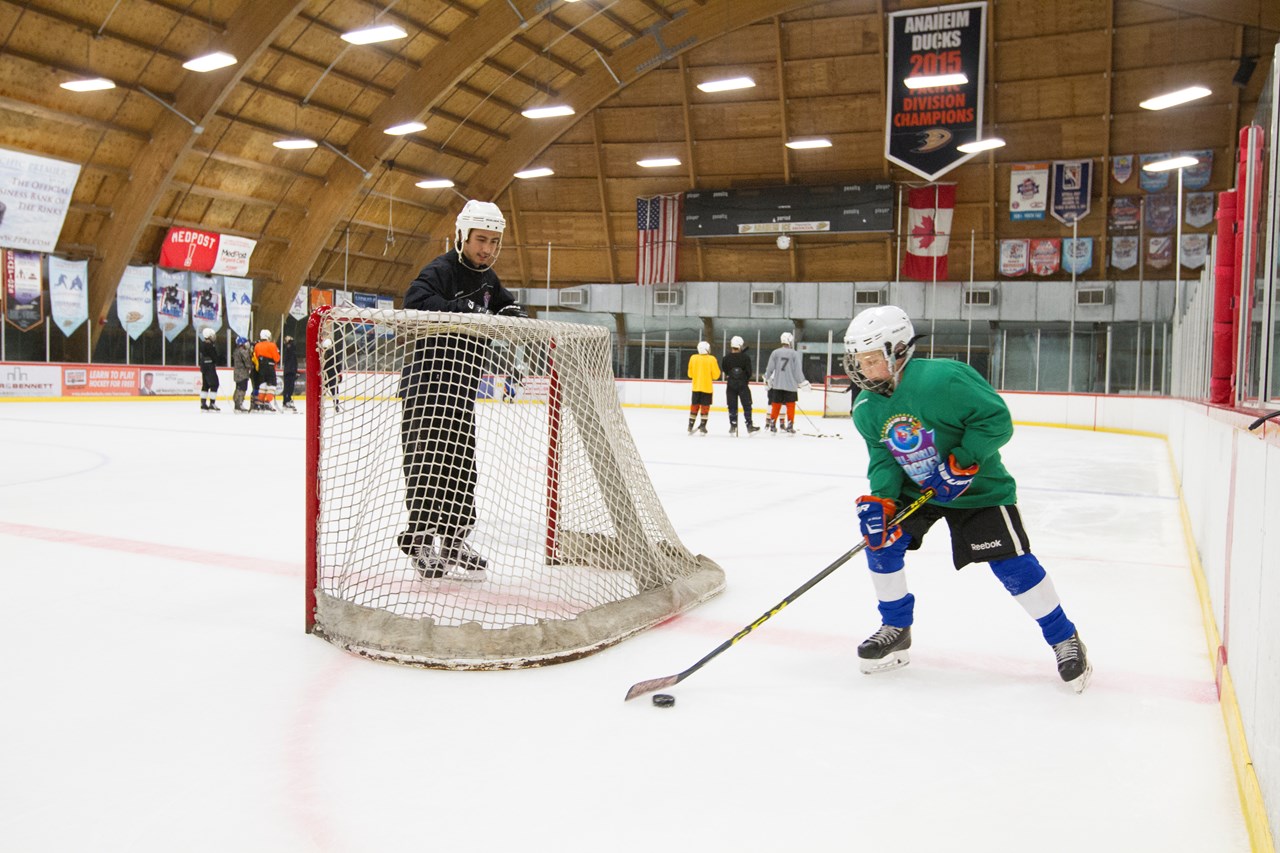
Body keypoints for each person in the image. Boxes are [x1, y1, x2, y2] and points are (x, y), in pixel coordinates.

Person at [844, 304, 1091, 693]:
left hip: (978, 489)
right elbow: (884, 458)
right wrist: (882, 501)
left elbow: (996, 420)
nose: (863, 368)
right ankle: (896, 627)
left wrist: (964, 459)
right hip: (918, 490)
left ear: (898, 350)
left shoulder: (944, 379)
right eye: (859, 360)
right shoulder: (866, 407)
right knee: (883, 542)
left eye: (872, 359)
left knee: (1012, 566)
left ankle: (1064, 638)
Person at [397, 199, 528, 582]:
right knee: (427, 465)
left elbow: (505, 306)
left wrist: (512, 313)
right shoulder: (441, 269)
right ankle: (420, 540)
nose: (487, 249)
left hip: (461, 389)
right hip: (427, 387)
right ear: (462, 236)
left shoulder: (489, 278)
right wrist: (465, 308)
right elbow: (415, 301)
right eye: (481, 240)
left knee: (461, 467)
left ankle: (454, 540)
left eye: (494, 241)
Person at [763, 331, 807, 433]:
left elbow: (770, 368)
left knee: (776, 404)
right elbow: (797, 371)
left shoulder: (775, 353)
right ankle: (790, 424)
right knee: (790, 405)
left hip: (777, 384)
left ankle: (772, 423)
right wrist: (802, 382)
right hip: (791, 385)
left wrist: (767, 379)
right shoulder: (794, 354)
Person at [721, 335, 758, 435]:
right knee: (747, 405)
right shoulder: (745, 358)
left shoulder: (726, 358)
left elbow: (725, 369)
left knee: (732, 405)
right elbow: (749, 372)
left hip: (731, 384)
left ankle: (733, 424)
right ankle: (749, 424)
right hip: (743, 384)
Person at [686, 341, 720, 435]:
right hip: (707, 388)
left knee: (694, 406)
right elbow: (716, 375)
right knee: (705, 407)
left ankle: (690, 425)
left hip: (696, 387)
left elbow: (690, 374)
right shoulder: (712, 359)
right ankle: (703, 426)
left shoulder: (693, 358)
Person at [253, 329, 281, 411]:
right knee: (271, 386)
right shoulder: (272, 345)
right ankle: (268, 402)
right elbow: (277, 358)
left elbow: (256, 356)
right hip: (270, 367)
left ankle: (260, 403)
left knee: (262, 386)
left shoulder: (257, 346)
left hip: (261, 368)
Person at [198, 328, 221, 411]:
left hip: (204, 366)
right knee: (214, 384)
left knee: (205, 385)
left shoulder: (202, 344)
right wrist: (218, 360)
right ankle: (212, 403)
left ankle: (203, 403)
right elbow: (214, 356)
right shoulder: (210, 345)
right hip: (209, 366)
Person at [320, 336, 342, 412]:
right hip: (333, 375)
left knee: (323, 391)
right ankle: (336, 405)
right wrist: (338, 374)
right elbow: (338, 365)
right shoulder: (334, 354)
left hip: (325, 375)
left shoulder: (323, 354)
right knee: (334, 391)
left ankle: (321, 405)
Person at [231, 336, 252, 413]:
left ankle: (237, 404)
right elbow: (248, 363)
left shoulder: (236, 351)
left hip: (237, 373)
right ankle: (239, 404)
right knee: (242, 388)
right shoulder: (243, 351)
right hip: (242, 373)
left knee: (238, 387)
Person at [280, 335, 298, 411]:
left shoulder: (291, 349)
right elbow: (291, 347)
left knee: (290, 386)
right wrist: (290, 341)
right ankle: (286, 400)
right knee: (288, 387)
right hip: (289, 370)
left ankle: (288, 400)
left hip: (291, 370)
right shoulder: (288, 348)